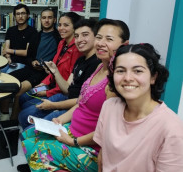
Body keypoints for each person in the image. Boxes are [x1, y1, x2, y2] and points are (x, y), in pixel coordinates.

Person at [19, 18, 130, 172]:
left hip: (88, 146)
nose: (101, 43)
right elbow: (81, 103)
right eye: (99, 37)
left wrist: (73, 141)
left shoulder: (115, 80)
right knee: (28, 134)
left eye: (109, 39)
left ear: (123, 45)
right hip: (73, 129)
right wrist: (60, 120)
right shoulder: (98, 66)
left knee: (35, 148)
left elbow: (107, 131)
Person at [94, 43, 183, 172]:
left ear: (153, 77)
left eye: (138, 71)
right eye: (120, 71)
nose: (128, 78)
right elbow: (102, 160)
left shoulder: (171, 128)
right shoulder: (109, 107)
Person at [18, 19, 101, 129]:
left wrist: (53, 105)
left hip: (75, 107)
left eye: (85, 35)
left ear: (96, 37)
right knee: (23, 115)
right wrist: (55, 71)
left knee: (29, 126)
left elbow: (82, 102)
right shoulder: (80, 60)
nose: (79, 40)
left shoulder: (97, 64)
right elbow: (67, 89)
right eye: (76, 36)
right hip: (67, 98)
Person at [10, 12, 82, 120]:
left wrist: (47, 92)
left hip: (62, 91)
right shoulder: (62, 43)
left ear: (75, 27)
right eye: (60, 25)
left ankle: (25, 127)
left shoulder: (77, 49)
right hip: (50, 83)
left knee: (24, 113)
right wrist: (44, 83)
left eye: (66, 25)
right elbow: (53, 69)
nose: (61, 28)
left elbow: (67, 86)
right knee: (23, 98)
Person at [0, 8, 61, 121]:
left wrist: (46, 66)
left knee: (19, 89)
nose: (46, 20)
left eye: (50, 18)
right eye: (44, 18)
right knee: (6, 81)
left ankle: (13, 121)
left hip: (45, 74)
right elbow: (29, 56)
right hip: (31, 67)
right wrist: (32, 62)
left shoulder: (58, 38)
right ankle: (5, 114)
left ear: (54, 20)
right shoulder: (36, 36)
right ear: (40, 20)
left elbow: (58, 60)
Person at [1, 3, 38, 74]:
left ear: (28, 15)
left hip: (23, 64)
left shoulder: (33, 32)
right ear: (14, 16)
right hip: (9, 62)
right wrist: (8, 57)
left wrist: (9, 51)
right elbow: (6, 49)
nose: (20, 16)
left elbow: (26, 52)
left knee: (8, 76)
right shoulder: (10, 30)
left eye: (23, 13)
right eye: (18, 14)